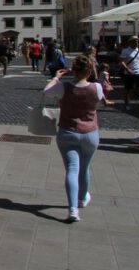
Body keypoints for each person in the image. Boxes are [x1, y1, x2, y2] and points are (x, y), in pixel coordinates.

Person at [44, 55, 104, 223]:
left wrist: (56, 77)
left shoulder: (63, 87)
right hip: (90, 134)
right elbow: (99, 100)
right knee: (84, 169)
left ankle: (73, 210)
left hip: (68, 132)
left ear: (73, 70)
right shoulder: (96, 87)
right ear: (90, 70)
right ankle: (83, 198)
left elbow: (46, 91)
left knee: (72, 169)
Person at [119, 37, 139, 108]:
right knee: (127, 89)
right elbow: (122, 61)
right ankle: (127, 104)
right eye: (134, 41)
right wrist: (128, 69)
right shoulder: (125, 51)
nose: (136, 43)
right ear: (130, 42)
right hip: (128, 73)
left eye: (137, 41)